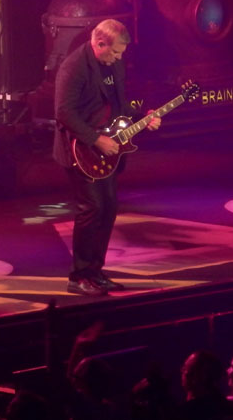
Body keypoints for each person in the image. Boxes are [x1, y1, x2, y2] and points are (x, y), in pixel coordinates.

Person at [52, 19, 159, 295]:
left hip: (107, 149)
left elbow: (119, 105)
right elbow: (64, 113)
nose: (118, 58)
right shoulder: (74, 67)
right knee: (91, 209)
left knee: (108, 207)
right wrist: (96, 139)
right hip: (80, 149)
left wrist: (143, 116)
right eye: (115, 52)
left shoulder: (114, 64)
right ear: (99, 43)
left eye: (121, 53)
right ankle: (78, 276)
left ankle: (95, 272)